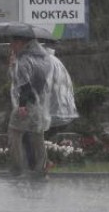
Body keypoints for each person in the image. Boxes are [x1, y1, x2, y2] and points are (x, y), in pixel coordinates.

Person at [7, 36, 77, 177]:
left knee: (14, 133)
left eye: (14, 42)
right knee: (37, 136)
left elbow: (24, 85)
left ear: (21, 42)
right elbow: (38, 82)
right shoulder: (41, 59)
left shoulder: (24, 60)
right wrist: (13, 66)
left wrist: (22, 105)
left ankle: (17, 168)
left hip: (27, 104)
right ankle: (41, 167)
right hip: (39, 105)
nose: (11, 45)